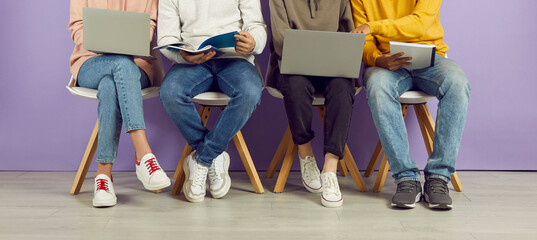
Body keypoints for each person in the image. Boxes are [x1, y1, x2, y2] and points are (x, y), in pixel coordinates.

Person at [351, 0, 470, 209]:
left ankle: (439, 177)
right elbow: (364, 40)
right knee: (378, 86)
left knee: (458, 83)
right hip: (387, 62)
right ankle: (406, 178)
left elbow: (419, 24)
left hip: (430, 59)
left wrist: (374, 26)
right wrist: (378, 59)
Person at [158, 0, 267, 203]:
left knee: (250, 91)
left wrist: (254, 42)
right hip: (192, 62)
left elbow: (256, 26)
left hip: (235, 59)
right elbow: (166, 38)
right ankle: (215, 155)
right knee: (170, 91)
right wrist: (182, 55)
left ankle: (201, 159)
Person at [68, 0, 170, 208]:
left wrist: (124, 44)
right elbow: (77, 28)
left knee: (110, 84)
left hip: (137, 66)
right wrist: (104, 43)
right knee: (119, 65)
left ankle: (103, 176)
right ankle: (143, 154)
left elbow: (148, 29)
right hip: (91, 62)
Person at [267, 0, 357, 208]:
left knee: (343, 89)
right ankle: (305, 153)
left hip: (333, 64)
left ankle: (330, 169)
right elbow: (280, 40)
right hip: (293, 64)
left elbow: (349, 32)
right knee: (296, 86)